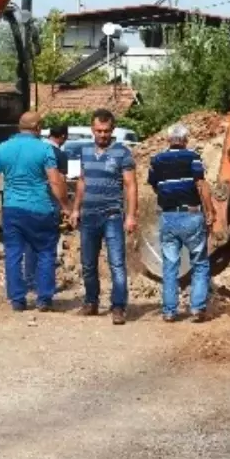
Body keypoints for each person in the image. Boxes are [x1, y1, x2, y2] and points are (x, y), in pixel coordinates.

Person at [0, 111, 69, 313]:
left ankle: (17, 300)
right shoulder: (44, 149)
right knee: (46, 252)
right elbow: (55, 181)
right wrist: (65, 205)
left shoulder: (3, 148)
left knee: (13, 253)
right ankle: (44, 298)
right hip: (40, 209)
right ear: (38, 127)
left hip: (12, 209)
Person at [70, 108, 138, 325]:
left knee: (117, 263)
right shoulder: (85, 151)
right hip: (89, 216)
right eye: (98, 131)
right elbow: (82, 181)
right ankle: (91, 302)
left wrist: (130, 215)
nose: (102, 135)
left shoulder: (122, 153)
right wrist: (75, 209)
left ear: (113, 129)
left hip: (112, 216)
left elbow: (130, 185)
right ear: (92, 129)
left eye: (106, 131)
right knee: (88, 263)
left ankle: (118, 306)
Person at [147, 124, 216, 323]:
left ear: (168, 140)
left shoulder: (156, 160)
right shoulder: (193, 157)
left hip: (168, 216)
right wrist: (210, 211)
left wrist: (169, 198)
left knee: (169, 265)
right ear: (185, 140)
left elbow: (155, 185)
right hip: (191, 215)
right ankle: (197, 309)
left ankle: (169, 311)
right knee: (200, 263)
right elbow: (201, 185)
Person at [20, 125, 70, 289]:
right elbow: (60, 181)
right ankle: (45, 284)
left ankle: (29, 280)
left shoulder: (33, 150)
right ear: (62, 136)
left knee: (29, 245)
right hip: (48, 204)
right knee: (48, 247)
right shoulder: (59, 155)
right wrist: (65, 205)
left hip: (28, 203)